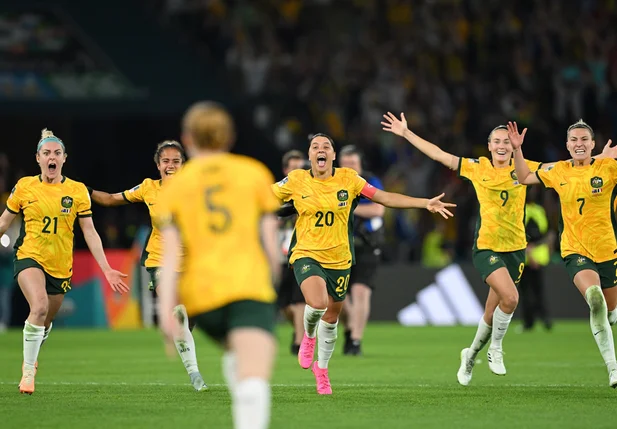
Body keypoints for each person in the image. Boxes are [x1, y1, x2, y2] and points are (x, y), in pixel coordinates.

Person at [381, 112, 616, 386]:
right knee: (512, 298)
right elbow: (440, 155)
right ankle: (496, 348)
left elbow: (568, 167)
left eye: (507, 141)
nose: (503, 145)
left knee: (492, 314)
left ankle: (469, 355)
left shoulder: (523, 167)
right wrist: (407, 133)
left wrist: (599, 158)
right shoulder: (477, 167)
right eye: (497, 141)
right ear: (489, 146)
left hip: (516, 249)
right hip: (487, 247)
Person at [271, 133, 456, 395]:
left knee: (333, 317)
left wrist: (424, 203)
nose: (321, 150)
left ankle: (321, 370)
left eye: (326, 147)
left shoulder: (349, 179)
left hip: (340, 258)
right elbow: (264, 195)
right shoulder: (296, 180)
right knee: (317, 303)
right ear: (309, 155)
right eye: (315, 147)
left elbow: (384, 197)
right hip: (306, 253)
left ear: (333, 156)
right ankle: (309, 337)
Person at [156, 101, 281, 429]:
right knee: (254, 375)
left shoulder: (175, 186)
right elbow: (271, 241)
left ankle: (236, 366)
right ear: (229, 137)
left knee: (237, 351)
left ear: (188, 139)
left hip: (200, 294)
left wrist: (165, 309)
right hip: (247, 285)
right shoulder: (253, 173)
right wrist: (275, 279)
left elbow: (168, 256)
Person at [0, 129, 129, 395]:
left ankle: (33, 353)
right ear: (38, 158)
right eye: (46, 153)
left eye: (56, 153)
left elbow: (90, 232)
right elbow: (4, 222)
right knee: (39, 306)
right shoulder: (25, 186)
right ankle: (27, 372)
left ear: (64, 159)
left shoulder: (77, 191)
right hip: (29, 256)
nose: (52, 157)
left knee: (45, 320)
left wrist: (106, 269)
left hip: (60, 266)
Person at [89, 140, 207, 391]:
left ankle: (183, 336)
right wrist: (82, 190)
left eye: (176, 161)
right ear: (158, 165)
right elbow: (110, 199)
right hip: (160, 258)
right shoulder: (148, 188)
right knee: (178, 313)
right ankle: (195, 374)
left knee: (190, 316)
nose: (171, 165)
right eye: (166, 161)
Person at [509, 119, 617, 387]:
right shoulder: (559, 170)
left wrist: (605, 156)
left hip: (608, 250)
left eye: (584, 140)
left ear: (592, 144)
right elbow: (523, 177)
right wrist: (517, 150)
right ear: (567, 145)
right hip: (575, 249)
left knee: (611, 309)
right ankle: (613, 368)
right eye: (574, 140)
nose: (579, 144)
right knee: (595, 299)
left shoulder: (610, 168)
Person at [337, 145, 385, 356]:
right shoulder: (332, 181)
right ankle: (350, 330)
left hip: (366, 244)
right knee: (338, 296)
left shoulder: (369, 181)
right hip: (338, 245)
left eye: (353, 163)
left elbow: (378, 208)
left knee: (360, 291)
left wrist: (347, 208)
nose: (349, 167)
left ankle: (355, 340)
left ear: (360, 164)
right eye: (345, 163)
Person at [277, 150, 308, 355]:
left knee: (299, 301)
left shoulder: (308, 192)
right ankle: (299, 330)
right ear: (286, 170)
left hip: (300, 253)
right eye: (293, 167)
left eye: (300, 167)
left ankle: (299, 342)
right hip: (279, 256)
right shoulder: (278, 191)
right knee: (283, 304)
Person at [519, 186, 552, 331]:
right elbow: (546, 233)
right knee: (539, 290)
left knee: (527, 291)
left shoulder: (523, 210)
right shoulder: (540, 210)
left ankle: (529, 322)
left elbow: (529, 234)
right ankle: (545, 320)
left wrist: (529, 254)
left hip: (527, 258)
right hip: (540, 257)